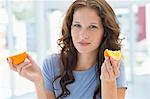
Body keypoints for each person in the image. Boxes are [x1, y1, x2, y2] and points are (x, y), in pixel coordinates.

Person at [8, 0, 127, 99]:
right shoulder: (52, 64)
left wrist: (108, 81)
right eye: (77, 25)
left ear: (105, 32)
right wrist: (39, 81)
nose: (83, 35)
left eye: (92, 27)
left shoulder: (114, 66)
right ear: (69, 28)